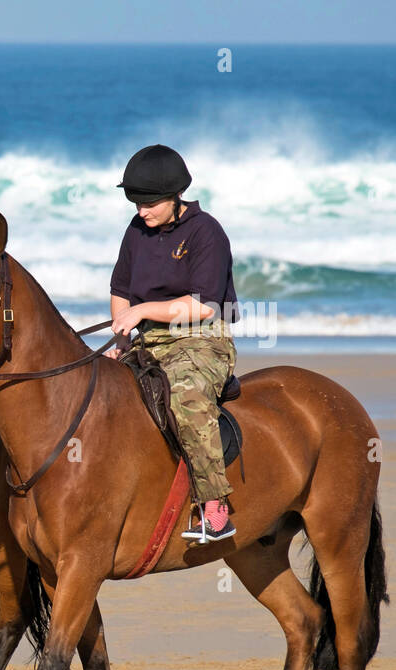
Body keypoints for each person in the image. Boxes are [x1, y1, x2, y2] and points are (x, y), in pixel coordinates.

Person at [108, 144, 239, 543]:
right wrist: (121, 334)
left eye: (148, 204)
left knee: (184, 394)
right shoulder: (135, 232)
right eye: (135, 204)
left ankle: (215, 506)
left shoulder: (205, 232)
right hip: (147, 340)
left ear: (174, 197)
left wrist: (142, 310)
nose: (141, 212)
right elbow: (120, 290)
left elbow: (203, 305)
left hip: (203, 339)